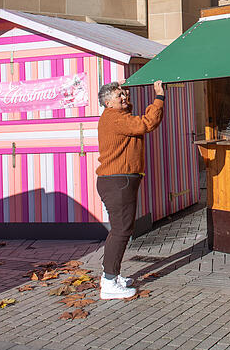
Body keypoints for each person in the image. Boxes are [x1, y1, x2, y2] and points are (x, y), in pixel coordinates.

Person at [96, 79, 165, 299]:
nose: (124, 98)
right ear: (108, 103)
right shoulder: (115, 118)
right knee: (121, 230)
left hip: (119, 180)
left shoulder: (117, 116)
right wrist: (159, 97)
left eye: (124, 95)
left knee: (121, 229)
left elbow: (132, 116)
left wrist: (124, 94)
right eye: (119, 97)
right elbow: (146, 124)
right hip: (118, 181)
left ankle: (112, 276)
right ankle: (109, 283)